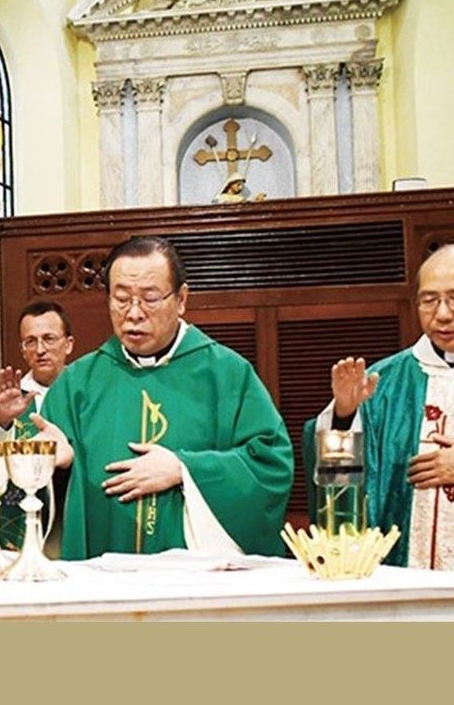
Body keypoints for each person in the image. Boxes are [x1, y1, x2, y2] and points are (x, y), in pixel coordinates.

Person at [34, 235, 293, 559]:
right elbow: (27, 501)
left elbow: (271, 464)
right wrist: (58, 466)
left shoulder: (226, 374)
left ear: (181, 299)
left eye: (150, 298)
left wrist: (186, 469)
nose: (133, 313)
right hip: (103, 579)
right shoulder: (76, 384)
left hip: (197, 584)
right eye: (121, 298)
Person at [314, 243, 454, 575]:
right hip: (401, 574)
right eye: (429, 300)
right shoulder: (384, 383)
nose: (443, 314)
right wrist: (344, 418)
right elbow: (339, 491)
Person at [0, 299, 75, 549]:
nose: (40, 349)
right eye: (30, 341)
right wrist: (3, 420)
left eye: (49, 338)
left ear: (68, 344)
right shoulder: (9, 400)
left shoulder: (87, 393)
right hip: (22, 531)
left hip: (75, 520)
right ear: (22, 349)